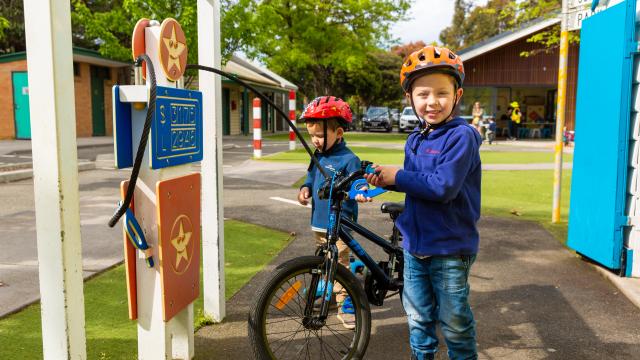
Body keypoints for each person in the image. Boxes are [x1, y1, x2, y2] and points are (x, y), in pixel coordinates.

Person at [357, 45, 481, 360]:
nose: (432, 102)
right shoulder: (415, 138)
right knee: (418, 318)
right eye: (423, 94)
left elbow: (443, 187)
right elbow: (416, 185)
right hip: (414, 247)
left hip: (450, 248)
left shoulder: (461, 137)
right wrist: (378, 183)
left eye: (441, 93)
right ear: (410, 98)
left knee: (454, 324)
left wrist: (397, 176)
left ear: (458, 94)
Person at [296, 96, 361, 330]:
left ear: (339, 133)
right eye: (312, 135)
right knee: (325, 260)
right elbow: (311, 177)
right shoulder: (317, 156)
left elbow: (358, 185)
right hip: (320, 223)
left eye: (320, 135)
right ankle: (329, 293)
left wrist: (359, 192)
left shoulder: (349, 159)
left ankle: (346, 305)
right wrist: (304, 188)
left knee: (340, 264)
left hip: (342, 224)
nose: (315, 140)